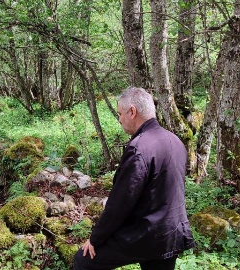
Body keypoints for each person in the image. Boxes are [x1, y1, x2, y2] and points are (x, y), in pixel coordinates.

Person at [73, 87, 195, 270]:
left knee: (84, 261)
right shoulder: (175, 141)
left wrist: (95, 238)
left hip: (145, 234)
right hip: (172, 233)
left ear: (132, 112)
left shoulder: (139, 148)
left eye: (120, 113)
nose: (120, 119)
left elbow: (120, 203)